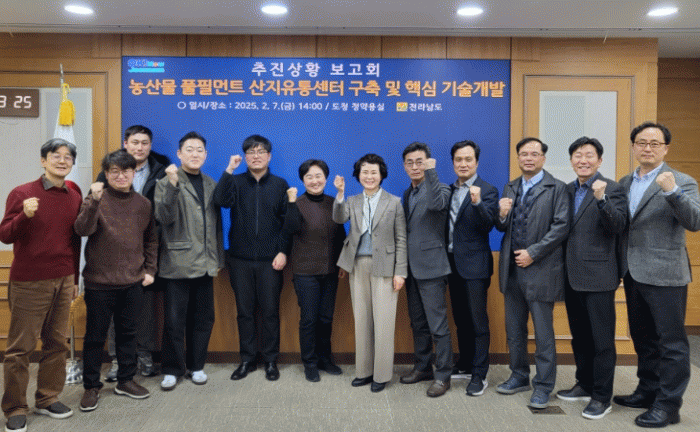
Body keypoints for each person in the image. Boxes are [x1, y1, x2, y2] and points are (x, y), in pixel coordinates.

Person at [613, 122, 700, 428]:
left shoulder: (682, 181)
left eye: (654, 143)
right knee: (643, 337)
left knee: (671, 343)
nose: (647, 148)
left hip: (666, 274)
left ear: (665, 148)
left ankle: (668, 405)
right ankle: (648, 390)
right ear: (633, 147)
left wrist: (672, 192)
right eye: (641, 142)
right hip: (633, 272)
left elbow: (694, 221)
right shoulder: (625, 182)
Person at [1, 139, 81, 432]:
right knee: (20, 348)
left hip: (64, 278)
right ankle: (15, 407)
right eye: (55, 156)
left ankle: (47, 398)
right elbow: (5, 235)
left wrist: (75, 278)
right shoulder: (23, 193)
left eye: (68, 157)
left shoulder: (74, 195)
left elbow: (75, 241)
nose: (62, 161)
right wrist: (25, 215)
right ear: (43, 161)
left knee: (57, 343)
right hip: (29, 280)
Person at [75, 149, 157, 412]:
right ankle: (91, 386)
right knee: (95, 337)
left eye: (126, 171)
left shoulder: (143, 204)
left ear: (134, 173)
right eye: (115, 171)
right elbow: (82, 229)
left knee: (128, 335)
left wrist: (150, 270)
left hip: (133, 281)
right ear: (106, 174)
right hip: (99, 282)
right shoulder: (96, 199)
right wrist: (94, 200)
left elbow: (151, 240)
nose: (121, 176)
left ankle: (125, 380)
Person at [495, 137, 569, 409]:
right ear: (518, 158)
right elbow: (502, 227)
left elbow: (561, 227)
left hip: (541, 269)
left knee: (543, 334)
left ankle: (543, 386)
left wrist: (533, 253)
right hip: (512, 270)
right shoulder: (511, 186)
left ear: (543, 158)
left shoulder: (557, 188)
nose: (529, 158)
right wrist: (502, 215)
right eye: (524, 154)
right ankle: (519, 376)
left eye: (534, 154)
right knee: (514, 330)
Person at [557, 137, 627, 420]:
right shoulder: (566, 189)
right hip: (571, 275)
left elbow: (618, 225)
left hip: (599, 276)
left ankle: (601, 396)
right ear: (571, 160)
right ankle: (584, 384)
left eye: (589, 155)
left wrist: (602, 200)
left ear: (599, 160)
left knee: (602, 341)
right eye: (577, 155)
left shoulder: (612, 188)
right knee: (580, 337)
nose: (583, 160)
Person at [212, 135, 290, 381]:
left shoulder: (279, 184)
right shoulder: (235, 182)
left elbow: (287, 223)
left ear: (269, 156)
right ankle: (247, 359)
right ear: (245, 157)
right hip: (240, 259)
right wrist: (229, 170)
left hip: (270, 261)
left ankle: (270, 360)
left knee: (270, 312)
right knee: (244, 312)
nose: (256, 156)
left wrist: (283, 251)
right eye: (251, 152)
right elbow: (219, 200)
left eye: (261, 151)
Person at [95, 125, 170, 379]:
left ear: (150, 145)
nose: (140, 147)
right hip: (115, 251)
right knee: (117, 309)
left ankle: (145, 354)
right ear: (125, 143)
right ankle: (118, 359)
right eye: (135, 142)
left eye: (144, 143)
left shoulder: (162, 170)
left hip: (148, 246)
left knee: (145, 307)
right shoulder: (109, 170)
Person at [154, 131, 224, 391]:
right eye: (189, 149)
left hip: (206, 263)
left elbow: (216, 226)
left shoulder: (210, 183)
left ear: (206, 155)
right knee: (174, 321)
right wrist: (173, 185)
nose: (195, 154)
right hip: (178, 262)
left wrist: (218, 258)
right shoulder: (166, 181)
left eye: (199, 150)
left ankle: (197, 366)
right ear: (179, 153)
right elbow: (163, 217)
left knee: (204, 319)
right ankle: (172, 369)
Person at [332, 153, 407, 393]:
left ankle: (382, 375)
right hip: (357, 264)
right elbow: (338, 218)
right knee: (362, 319)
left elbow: (401, 239)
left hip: (385, 266)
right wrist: (340, 193)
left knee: (383, 322)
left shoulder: (394, 202)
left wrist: (400, 272)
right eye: (365, 172)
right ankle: (363, 371)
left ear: (381, 174)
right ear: (358, 175)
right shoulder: (352, 201)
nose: (369, 176)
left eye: (374, 172)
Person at [397, 142, 453, 398]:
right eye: (410, 163)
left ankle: (443, 376)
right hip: (411, 268)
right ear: (404, 166)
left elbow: (437, 204)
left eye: (419, 162)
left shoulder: (440, 188)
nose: (414, 167)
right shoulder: (408, 193)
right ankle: (423, 368)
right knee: (418, 323)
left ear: (429, 163)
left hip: (432, 268)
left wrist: (431, 173)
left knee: (438, 326)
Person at [284, 159, 346, 382]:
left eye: (318, 176)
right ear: (303, 180)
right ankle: (309, 363)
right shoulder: (296, 203)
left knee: (326, 318)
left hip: (330, 270)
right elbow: (290, 228)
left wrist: (342, 263)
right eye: (309, 177)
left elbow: (341, 235)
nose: (314, 180)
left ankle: (325, 359)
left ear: (326, 179)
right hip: (305, 272)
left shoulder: (333, 202)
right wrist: (291, 202)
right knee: (309, 320)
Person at [445, 140, 499, 397]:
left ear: (476, 162)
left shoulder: (487, 190)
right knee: (461, 319)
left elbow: (489, 225)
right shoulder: (449, 190)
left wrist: (477, 203)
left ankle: (479, 374)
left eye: (468, 159)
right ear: (453, 162)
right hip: (451, 264)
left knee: (478, 321)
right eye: (459, 159)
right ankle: (466, 363)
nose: (463, 164)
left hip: (475, 266)